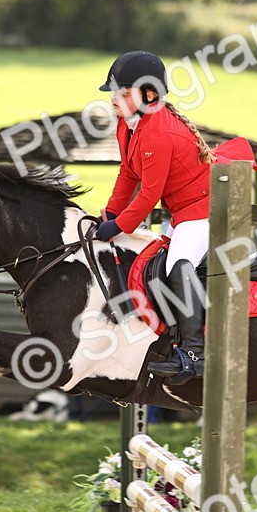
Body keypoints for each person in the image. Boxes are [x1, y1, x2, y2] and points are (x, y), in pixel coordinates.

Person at [94, 50, 214, 382]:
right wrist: (109, 213)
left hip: (203, 212)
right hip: (182, 213)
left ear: (148, 95)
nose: (114, 99)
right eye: (113, 92)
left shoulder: (158, 132)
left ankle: (196, 352)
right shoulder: (127, 124)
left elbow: (149, 192)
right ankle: (173, 343)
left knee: (177, 265)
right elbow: (128, 174)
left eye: (123, 92)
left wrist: (119, 226)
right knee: (152, 267)